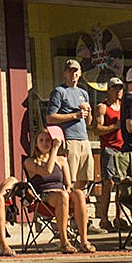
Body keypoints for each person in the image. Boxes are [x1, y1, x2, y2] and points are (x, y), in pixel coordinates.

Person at [22, 127, 93, 253]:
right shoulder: (30, 162)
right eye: (41, 140)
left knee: (78, 193)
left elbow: (68, 183)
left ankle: (84, 240)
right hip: (43, 197)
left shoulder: (61, 160)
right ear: (36, 143)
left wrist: (71, 191)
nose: (45, 143)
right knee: (62, 195)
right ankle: (64, 241)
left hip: (62, 193)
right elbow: (47, 171)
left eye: (48, 140)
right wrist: (54, 149)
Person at [43, 60, 95, 223]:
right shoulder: (59, 92)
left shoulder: (83, 93)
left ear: (80, 73)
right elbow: (50, 117)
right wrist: (74, 115)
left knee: (83, 181)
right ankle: (67, 218)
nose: (74, 74)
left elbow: (88, 122)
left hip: (84, 140)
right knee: (69, 181)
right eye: (70, 71)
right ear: (65, 72)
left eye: (76, 71)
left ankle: (81, 218)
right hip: (69, 140)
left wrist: (88, 112)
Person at [94, 77, 128, 230]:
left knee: (122, 184)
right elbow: (97, 129)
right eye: (115, 88)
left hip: (123, 148)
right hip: (109, 148)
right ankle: (104, 218)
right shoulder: (102, 107)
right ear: (109, 89)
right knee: (108, 183)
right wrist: (115, 126)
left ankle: (119, 217)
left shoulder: (124, 106)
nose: (118, 91)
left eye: (120, 88)